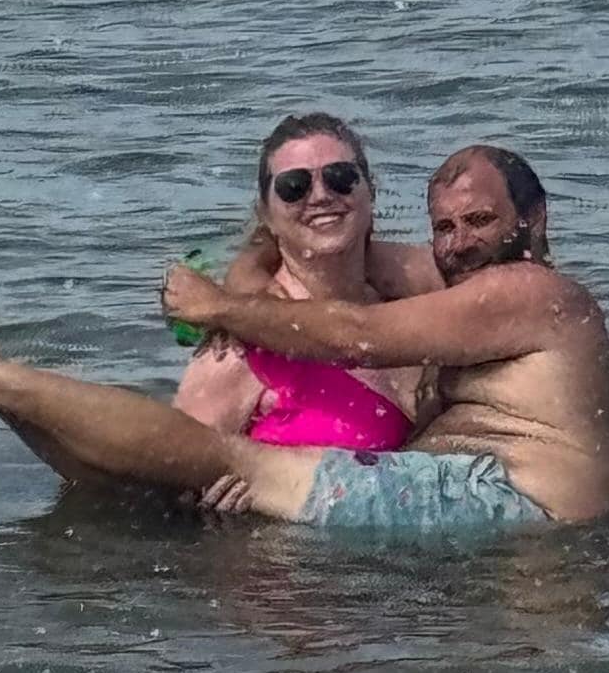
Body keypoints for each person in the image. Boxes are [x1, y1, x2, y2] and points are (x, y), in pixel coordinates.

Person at [0, 145, 609, 528]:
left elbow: (356, 333)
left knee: (220, 465)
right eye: (444, 227)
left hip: (517, 511)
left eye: (479, 221)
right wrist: (248, 270)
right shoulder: (459, 278)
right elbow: (331, 256)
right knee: (163, 482)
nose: (457, 243)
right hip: (469, 508)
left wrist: (221, 305)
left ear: (534, 220)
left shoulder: (533, 292)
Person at [172, 112, 439, 452]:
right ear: (266, 213)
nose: (321, 196)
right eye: (294, 186)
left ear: (370, 191)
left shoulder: (412, 312)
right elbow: (179, 463)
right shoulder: (239, 347)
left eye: (340, 177)